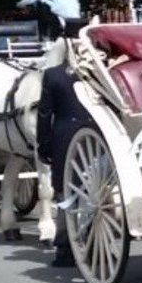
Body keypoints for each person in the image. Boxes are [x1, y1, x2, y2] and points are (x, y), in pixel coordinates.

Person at [35, 63, 90, 268]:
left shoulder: (53, 74)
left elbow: (44, 114)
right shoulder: (96, 70)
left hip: (65, 135)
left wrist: (44, 145)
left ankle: (65, 246)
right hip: (95, 131)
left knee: (65, 191)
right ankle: (90, 239)